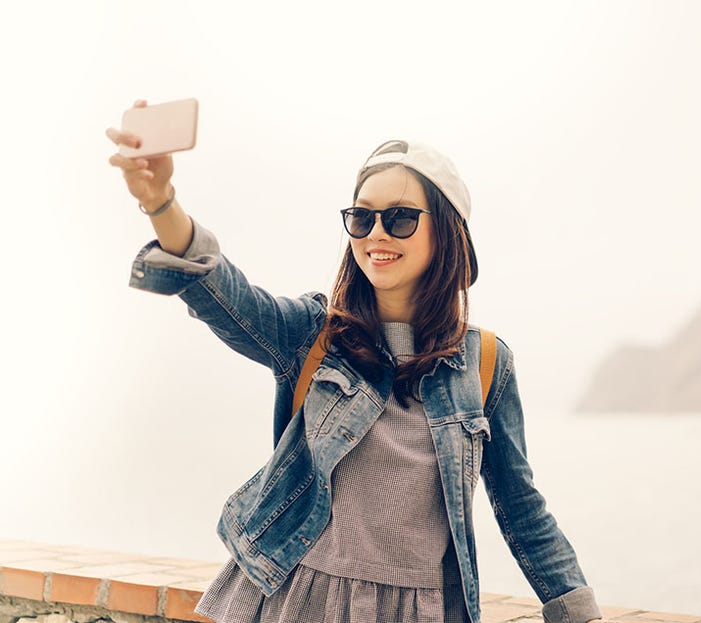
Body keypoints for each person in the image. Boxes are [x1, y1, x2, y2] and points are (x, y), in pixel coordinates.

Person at [106, 99, 603, 623]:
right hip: (294, 602)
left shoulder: (484, 364)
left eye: (401, 218)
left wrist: (578, 611)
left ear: (449, 231)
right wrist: (161, 202)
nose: (377, 234)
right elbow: (226, 296)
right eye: (362, 218)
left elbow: (520, 507)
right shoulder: (313, 336)